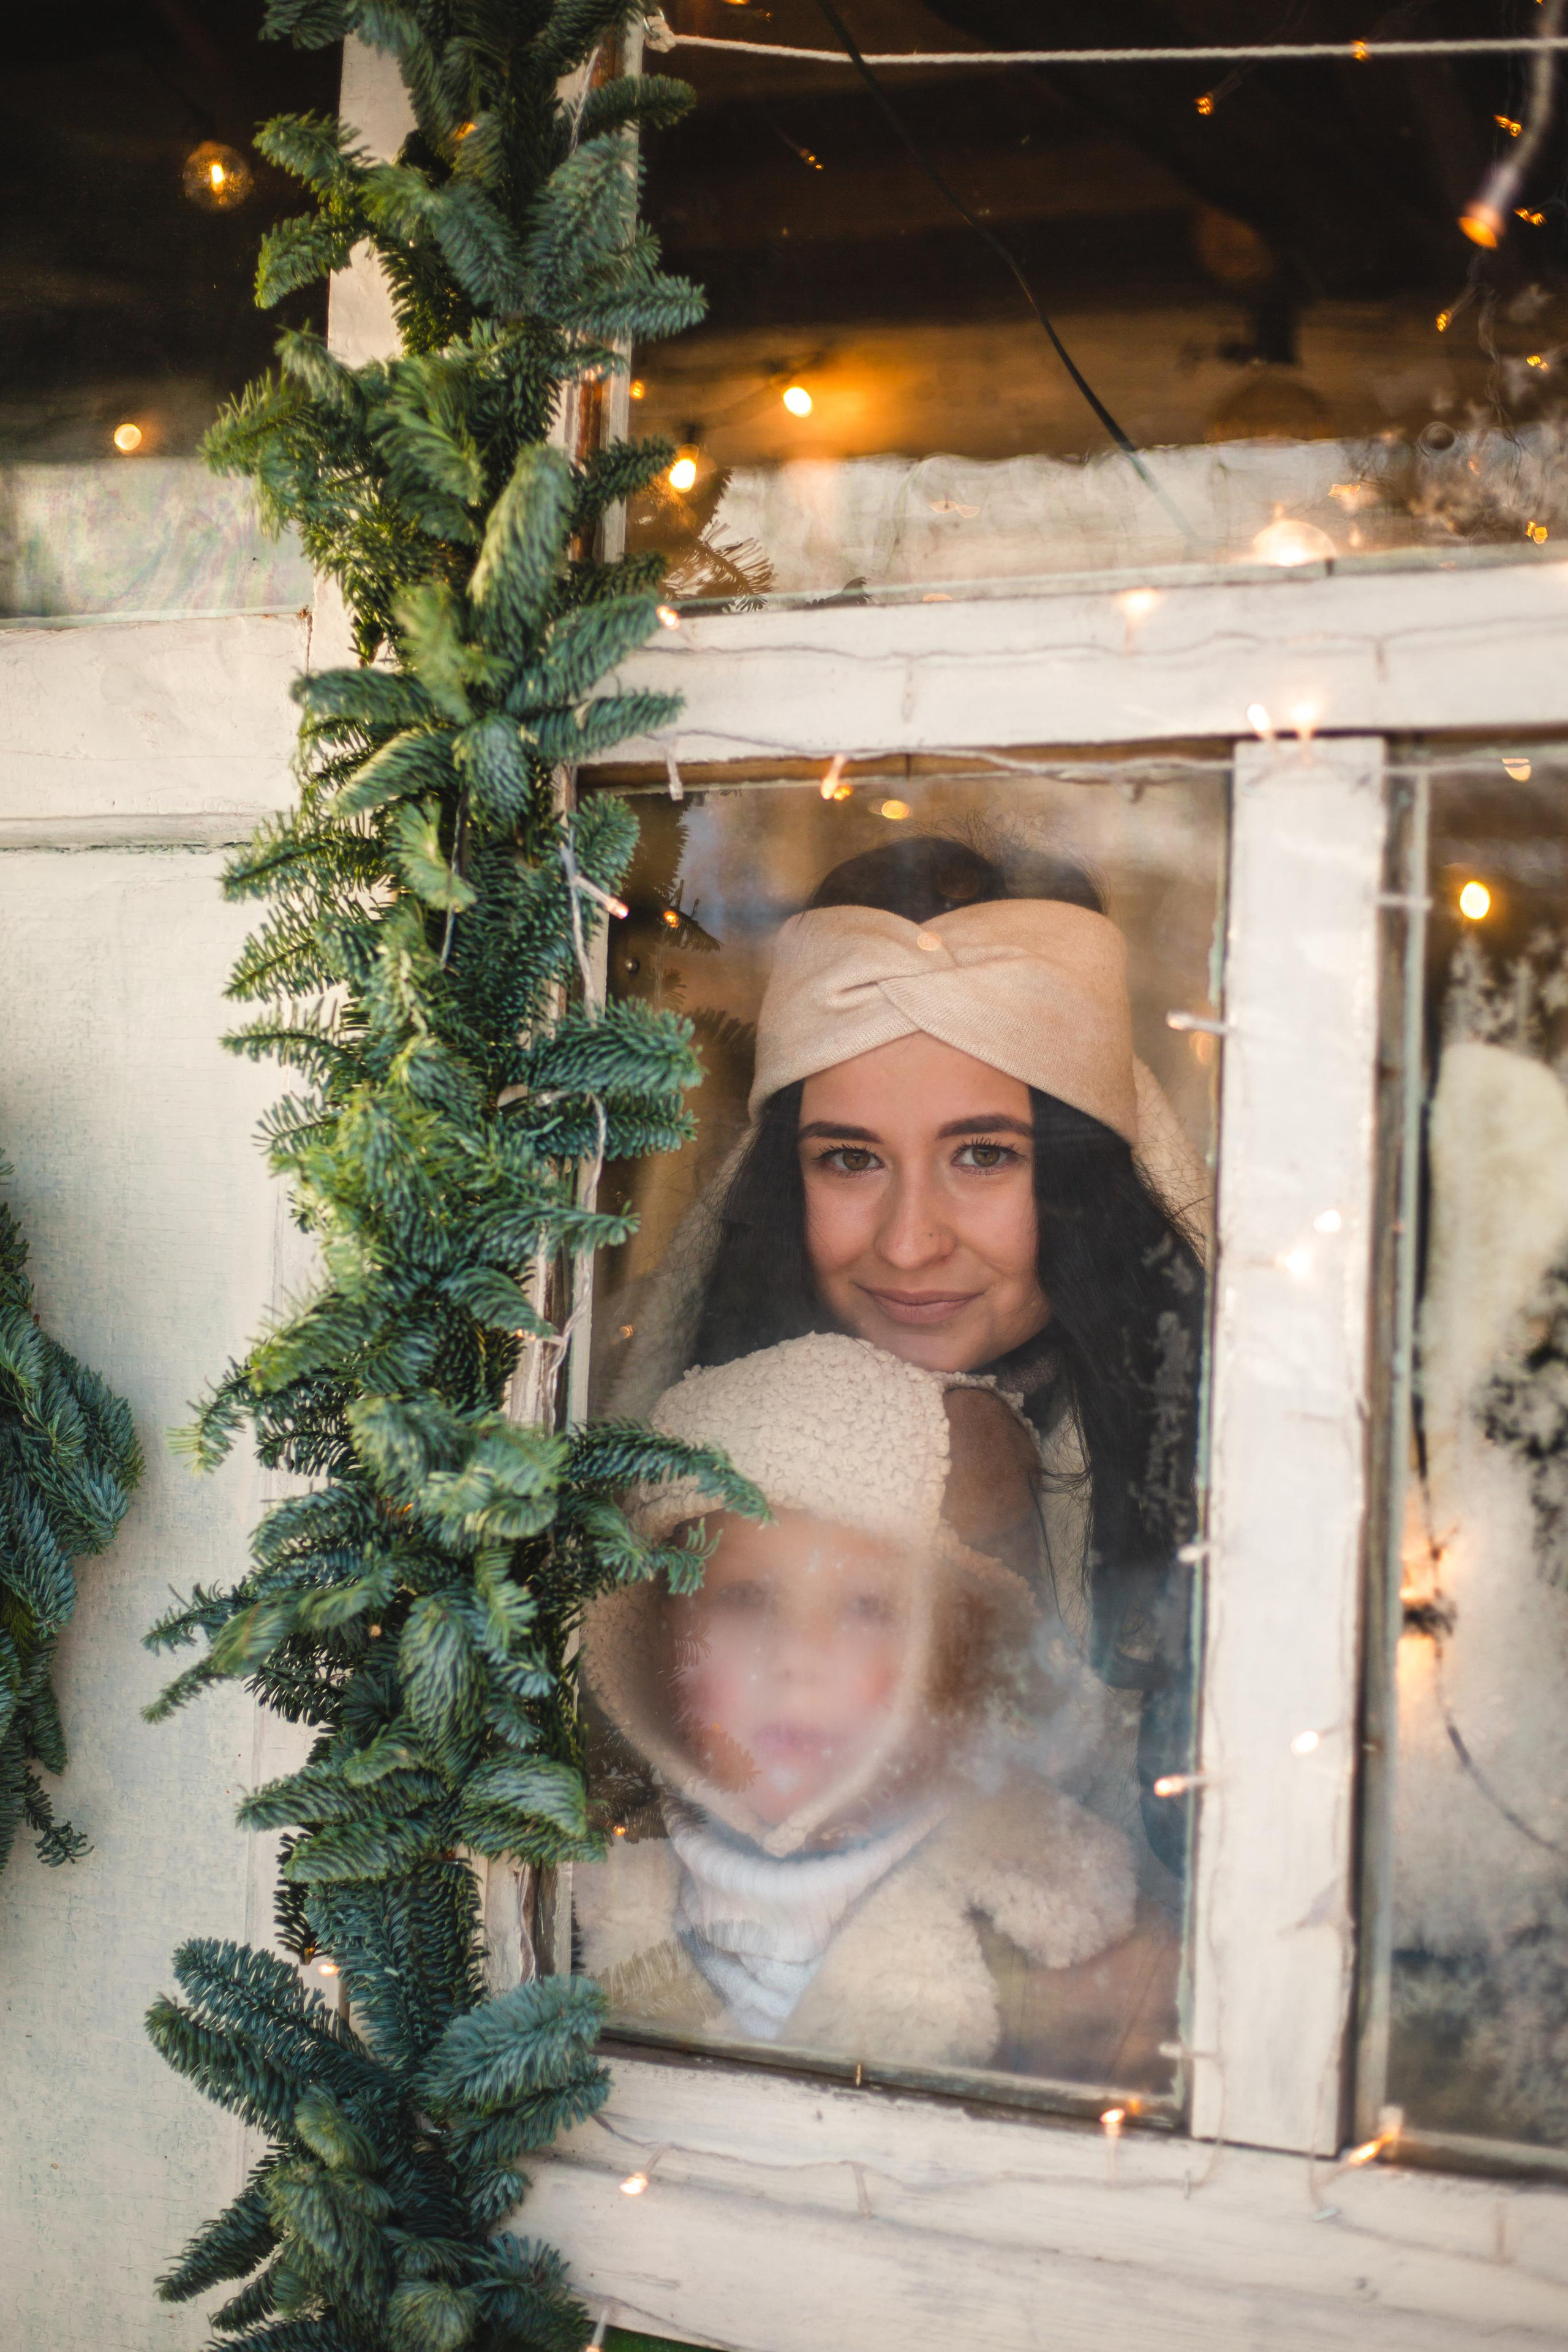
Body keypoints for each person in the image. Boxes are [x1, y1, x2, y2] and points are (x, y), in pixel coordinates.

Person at [608, 834, 1208, 1875]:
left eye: (983, 1155)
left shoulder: (1202, 1449)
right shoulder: (698, 1437)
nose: (908, 1241)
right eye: (850, 1159)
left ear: (1079, 1185)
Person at [577, 1333, 1178, 2082]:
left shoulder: (1081, 1953)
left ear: (953, 1661)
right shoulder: (567, 1907)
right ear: (661, 1648)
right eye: (745, 1598)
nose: (797, 1658)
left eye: (867, 1607)